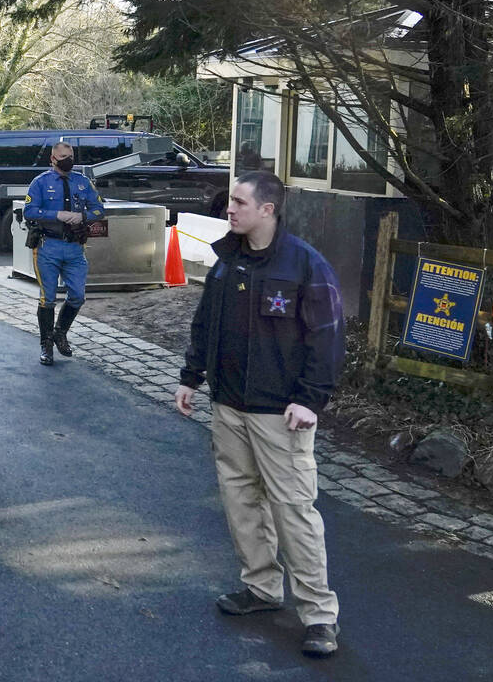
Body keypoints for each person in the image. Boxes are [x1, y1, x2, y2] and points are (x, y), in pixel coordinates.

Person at [174, 170, 344, 658]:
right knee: (241, 500)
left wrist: (310, 399)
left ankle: (319, 615)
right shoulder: (227, 260)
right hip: (229, 407)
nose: (230, 209)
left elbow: (328, 338)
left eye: (239, 202)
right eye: (231, 201)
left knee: (294, 512)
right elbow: (206, 323)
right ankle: (261, 589)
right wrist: (191, 376)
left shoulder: (305, 266)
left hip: (280, 414)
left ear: (267, 209)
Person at [23, 141, 104, 366]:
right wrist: (56, 214)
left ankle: (60, 331)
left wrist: (84, 217)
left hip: (74, 247)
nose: (67, 159)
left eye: (70, 155)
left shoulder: (83, 182)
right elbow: (29, 211)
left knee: (77, 295)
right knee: (47, 298)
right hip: (48, 246)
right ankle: (46, 344)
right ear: (52, 159)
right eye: (62, 156)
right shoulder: (40, 182)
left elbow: (99, 209)